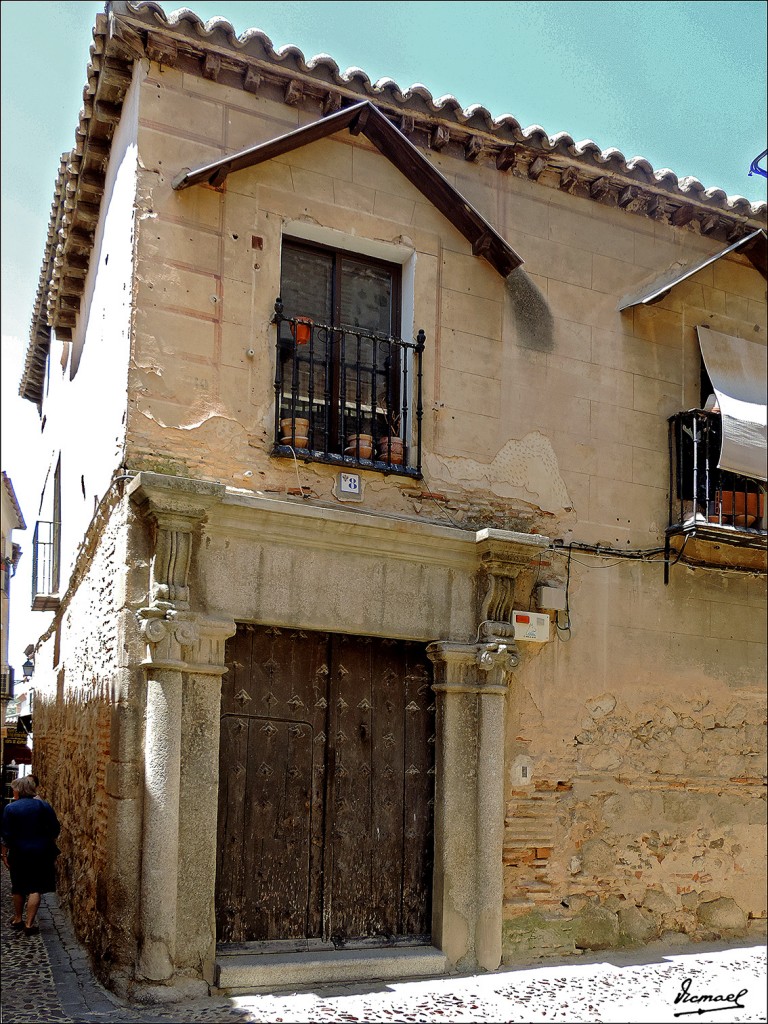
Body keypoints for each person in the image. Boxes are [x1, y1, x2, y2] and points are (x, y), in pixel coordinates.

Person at [1, 775, 61, 936]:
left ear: (19, 791)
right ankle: (29, 924)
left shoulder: (10, 809)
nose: (13, 791)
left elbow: (6, 835)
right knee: (35, 887)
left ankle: (18, 918)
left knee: (18, 886)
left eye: (14, 789)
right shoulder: (43, 806)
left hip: (19, 852)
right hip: (41, 852)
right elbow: (55, 828)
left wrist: (4, 854)